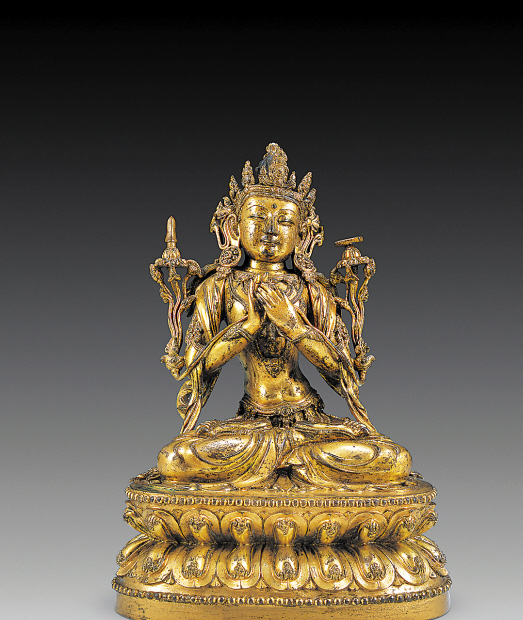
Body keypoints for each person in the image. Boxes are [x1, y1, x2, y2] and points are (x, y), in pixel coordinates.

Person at [156, 143, 411, 490]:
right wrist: (247, 327)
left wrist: (294, 325)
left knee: (393, 459)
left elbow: (342, 373)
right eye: (258, 218)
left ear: (303, 234)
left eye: (285, 221)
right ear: (233, 226)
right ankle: (290, 461)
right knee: (176, 458)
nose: (271, 230)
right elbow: (196, 367)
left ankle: (290, 458)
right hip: (252, 425)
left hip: (309, 421)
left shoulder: (311, 290)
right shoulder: (219, 287)